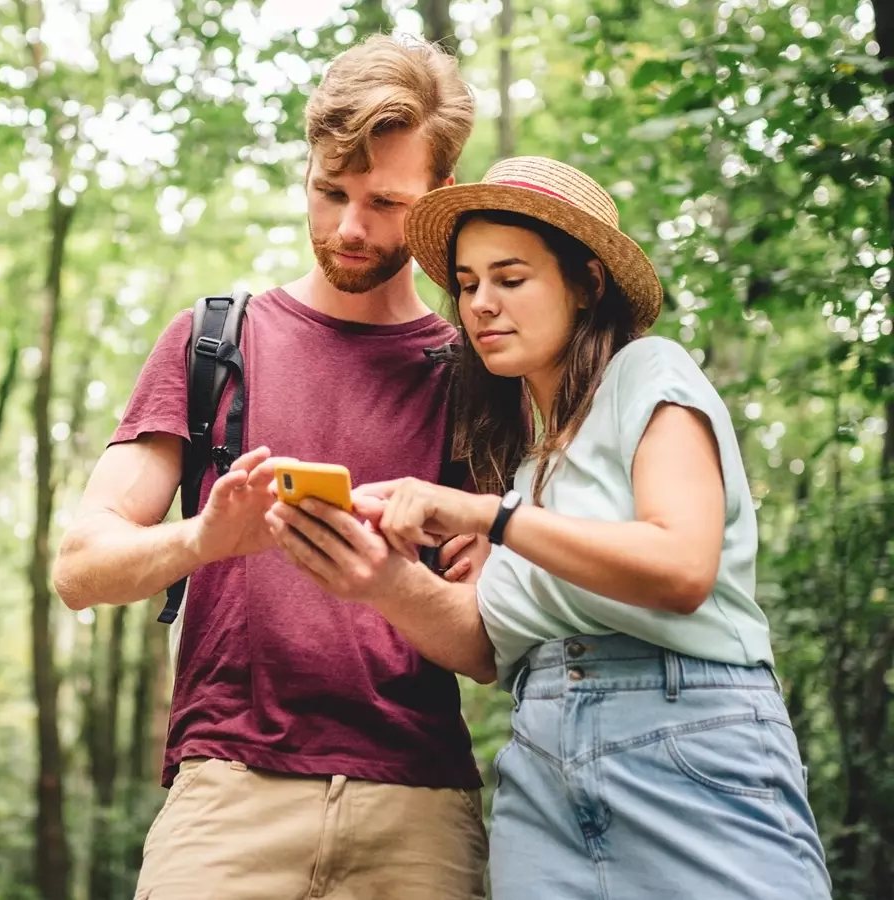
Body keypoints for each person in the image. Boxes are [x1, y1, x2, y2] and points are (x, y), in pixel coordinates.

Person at [266, 156, 832, 899]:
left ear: (587, 282)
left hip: (691, 740)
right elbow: (478, 647)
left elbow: (681, 566)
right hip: (541, 773)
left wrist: (491, 518)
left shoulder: (648, 374)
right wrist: (378, 576)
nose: (480, 306)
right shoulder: (526, 473)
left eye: (511, 278)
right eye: (467, 285)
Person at [52, 34, 491, 900]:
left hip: (420, 805)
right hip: (226, 796)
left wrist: (384, 584)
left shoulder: (475, 377)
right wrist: (204, 538)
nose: (350, 227)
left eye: (384, 201)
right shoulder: (213, 342)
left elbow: (484, 646)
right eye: (329, 192)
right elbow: (77, 567)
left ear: (441, 196)